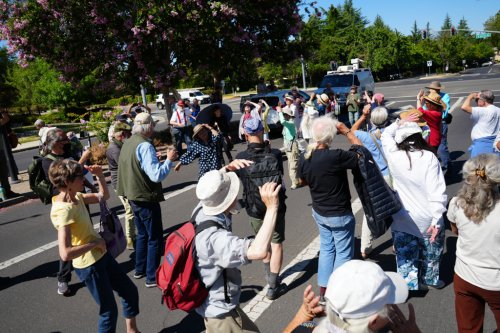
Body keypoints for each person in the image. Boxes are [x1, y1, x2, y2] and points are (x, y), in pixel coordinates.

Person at [49, 159, 140, 333]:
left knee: (129, 291)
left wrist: (99, 176)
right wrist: (95, 243)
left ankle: (132, 330)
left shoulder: (76, 197)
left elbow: (103, 197)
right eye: (79, 176)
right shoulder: (63, 210)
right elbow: (66, 253)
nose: (83, 178)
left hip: (102, 256)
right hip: (89, 265)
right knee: (108, 311)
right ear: (67, 182)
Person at [193, 161, 281, 333]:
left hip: (216, 307)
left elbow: (211, 192)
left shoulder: (201, 211)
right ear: (228, 199)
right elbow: (258, 251)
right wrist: (272, 207)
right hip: (221, 315)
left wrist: (224, 171)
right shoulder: (215, 239)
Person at [297, 116, 362, 301]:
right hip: (339, 212)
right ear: (330, 137)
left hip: (319, 210)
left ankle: (324, 290)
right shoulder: (336, 156)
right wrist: (348, 132)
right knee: (343, 252)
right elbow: (361, 154)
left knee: (327, 248)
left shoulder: (305, 157)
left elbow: (303, 180)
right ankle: (337, 292)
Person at [381, 118, 447, 291]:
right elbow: (437, 191)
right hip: (428, 216)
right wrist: (437, 218)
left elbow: (385, 135)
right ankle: (430, 279)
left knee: (405, 255)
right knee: (431, 253)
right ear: (419, 137)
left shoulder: (393, 155)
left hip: (401, 217)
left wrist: (399, 122)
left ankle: (408, 285)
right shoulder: (429, 157)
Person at [117, 112, 178, 288]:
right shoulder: (144, 146)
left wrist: (156, 161)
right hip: (145, 197)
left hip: (132, 195)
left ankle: (139, 269)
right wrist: (168, 160)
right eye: (153, 124)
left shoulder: (128, 142)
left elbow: (137, 167)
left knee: (142, 235)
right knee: (154, 237)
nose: (154, 127)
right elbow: (156, 175)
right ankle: (151, 276)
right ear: (148, 126)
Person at [235, 116, 288, 300]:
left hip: (254, 207)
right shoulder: (274, 154)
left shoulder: (241, 158)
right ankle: (273, 285)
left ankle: (268, 276)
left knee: (263, 242)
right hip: (275, 204)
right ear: (261, 130)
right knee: (276, 243)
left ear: (245, 133)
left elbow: (239, 180)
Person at [284, 260, 414, 333]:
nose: (393, 308)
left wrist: (305, 314)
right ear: (373, 322)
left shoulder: (305, 328)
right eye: (389, 305)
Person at [447, 154, 500, 333]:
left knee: (468, 329)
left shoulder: (456, 203)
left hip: (464, 276)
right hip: (496, 283)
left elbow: (455, 230)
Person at [42, 128, 94, 296]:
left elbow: (77, 175)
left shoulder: (66, 154)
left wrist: (92, 187)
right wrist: (82, 160)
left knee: (86, 234)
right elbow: (66, 178)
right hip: (66, 207)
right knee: (68, 244)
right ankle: (63, 279)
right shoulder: (47, 161)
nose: (66, 144)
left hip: (78, 200)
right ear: (54, 143)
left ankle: (92, 266)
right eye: (63, 142)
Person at [350, 105, 391, 259]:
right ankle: (397, 242)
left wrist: (362, 115)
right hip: (394, 175)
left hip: (377, 177)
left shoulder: (367, 136)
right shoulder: (393, 133)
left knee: (371, 211)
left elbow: (351, 130)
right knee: (397, 210)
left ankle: (365, 247)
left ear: (372, 121)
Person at [105, 122, 136, 250]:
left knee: (132, 209)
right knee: (129, 210)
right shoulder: (114, 149)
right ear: (122, 135)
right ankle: (130, 238)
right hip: (121, 183)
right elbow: (125, 165)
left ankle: (132, 235)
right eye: (128, 134)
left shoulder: (119, 145)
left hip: (124, 182)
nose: (130, 136)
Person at [461, 90, 500, 157]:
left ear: (483, 101)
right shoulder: (498, 110)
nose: (476, 102)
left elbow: (464, 107)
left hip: (482, 145)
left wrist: (470, 96)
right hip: (495, 143)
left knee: (479, 166)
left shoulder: (483, 110)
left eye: (477, 100)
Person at [425, 81, 451, 172]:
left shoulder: (445, 96)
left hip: (441, 122)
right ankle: (434, 167)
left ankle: (448, 167)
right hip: (429, 123)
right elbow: (425, 109)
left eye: (432, 89)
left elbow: (445, 109)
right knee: (430, 145)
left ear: (437, 89)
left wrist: (437, 98)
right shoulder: (429, 96)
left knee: (442, 146)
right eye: (430, 89)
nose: (430, 90)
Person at [277, 100, 300, 189]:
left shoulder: (290, 123)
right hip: (288, 146)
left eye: (283, 114)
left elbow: (282, 121)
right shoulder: (287, 123)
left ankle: (295, 182)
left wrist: (279, 112)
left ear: (287, 115)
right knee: (291, 164)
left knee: (293, 165)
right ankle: (297, 180)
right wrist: (279, 110)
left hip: (292, 145)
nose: (282, 116)